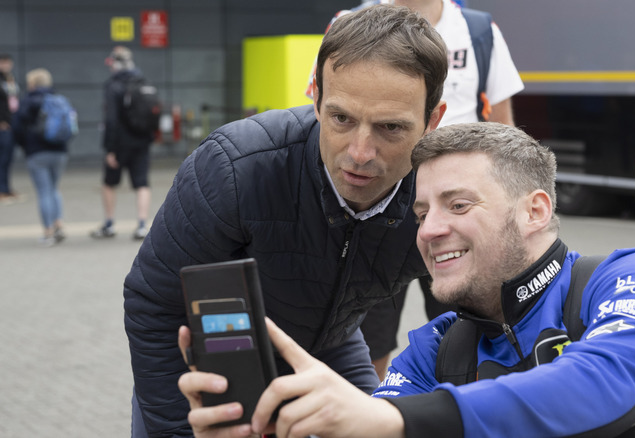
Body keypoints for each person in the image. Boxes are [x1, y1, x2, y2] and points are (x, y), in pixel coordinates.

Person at [180, 122, 635, 437]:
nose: (429, 231)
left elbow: (595, 385)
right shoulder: (435, 350)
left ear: (534, 211)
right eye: (423, 213)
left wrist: (388, 419)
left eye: (458, 205)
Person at [124, 5, 448, 436]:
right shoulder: (235, 169)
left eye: (390, 128)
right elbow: (154, 302)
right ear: (315, 96)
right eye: (341, 118)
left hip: (329, 344)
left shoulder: (439, 199)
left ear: (433, 121)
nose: (359, 152)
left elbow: (487, 313)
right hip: (217, 357)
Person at [308, 0, 526, 377]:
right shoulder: (349, 23)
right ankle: (367, 414)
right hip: (377, 201)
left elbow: (503, 129)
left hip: (460, 214)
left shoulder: (479, 30)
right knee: (364, 336)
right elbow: (328, 116)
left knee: (471, 331)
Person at [90, 46, 153, 241]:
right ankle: (142, 224)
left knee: (109, 183)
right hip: (142, 142)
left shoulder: (113, 85)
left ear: (116, 63)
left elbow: (111, 120)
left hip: (119, 144)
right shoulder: (143, 82)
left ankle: (109, 224)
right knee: (142, 183)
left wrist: (110, 149)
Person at [11, 68, 68, 247]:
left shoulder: (29, 101)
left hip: (37, 152)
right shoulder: (59, 99)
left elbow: (17, 127)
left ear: (33, 83)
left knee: (44, 191)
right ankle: (59, 224)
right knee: (54, 189)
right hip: (60, 151)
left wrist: (25, 146)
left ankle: (48, 232)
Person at [0, 53, 20, 202]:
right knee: (2, 158)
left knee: (8, 158)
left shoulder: (10, 79)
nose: (6, 65)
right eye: (3, 63)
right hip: (3, 125)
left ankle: (6, 188)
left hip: (12, 123)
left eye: (8, 63)